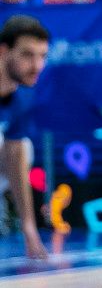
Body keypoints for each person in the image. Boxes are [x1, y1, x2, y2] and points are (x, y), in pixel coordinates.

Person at [0, 16, 50, 261]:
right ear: (3, 51)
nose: (37, 65)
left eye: (42, 56)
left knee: (22, 149)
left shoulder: (23, 96)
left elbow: (15, 157)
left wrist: (29, 227)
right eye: (27, 55)